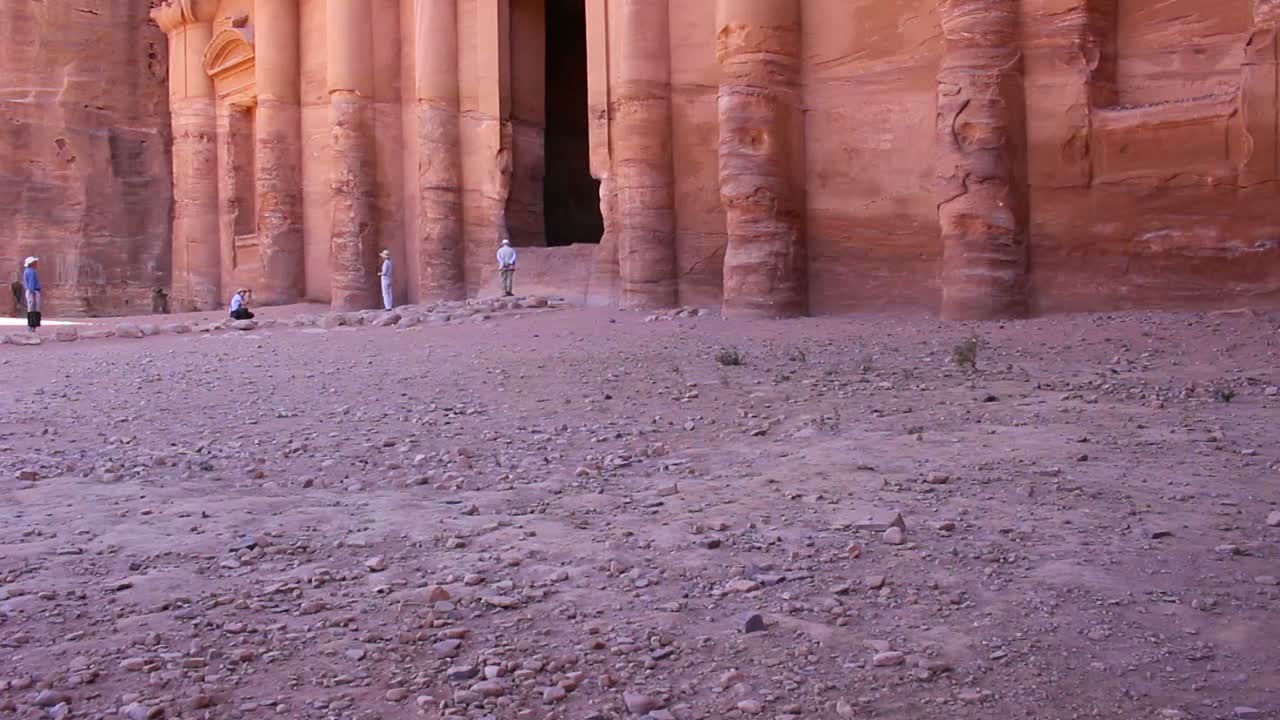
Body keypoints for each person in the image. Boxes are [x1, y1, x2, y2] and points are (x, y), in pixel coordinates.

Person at [22, 256, 41, 333]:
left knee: (31, 309)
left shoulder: (27, 271)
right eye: (35, 262)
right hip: (33, 292)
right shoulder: (31, 272)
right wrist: (32, 292)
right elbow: (31, 284)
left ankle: (32, 326)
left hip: (30, 291)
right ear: (32, 263)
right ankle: (32, 326)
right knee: (34, 309)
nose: (36, 263)